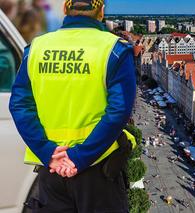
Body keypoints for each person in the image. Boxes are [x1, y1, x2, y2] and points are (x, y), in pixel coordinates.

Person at [9, 0, 136, 212]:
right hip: (98, 170)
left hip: (51, 170)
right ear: (101, 11)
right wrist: (79, 157)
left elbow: (20, 105)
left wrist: (48, 152)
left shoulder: (37, 48)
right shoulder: (113, 49)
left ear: (65, 9)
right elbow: (118, 111)